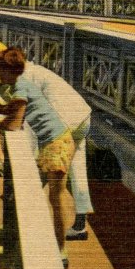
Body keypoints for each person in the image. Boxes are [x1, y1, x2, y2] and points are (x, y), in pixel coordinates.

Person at [0, 47, 76, 269]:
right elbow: (16, 109)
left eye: (2, 69)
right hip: (58, 141)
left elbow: (13, 124)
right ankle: (50, 247)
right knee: (42, 196)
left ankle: (60, 252)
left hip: (55, 145)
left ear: (11, 70)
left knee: (55, 199)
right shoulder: (21, 85)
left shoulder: (20, 87)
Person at [21, 62, 94, 240]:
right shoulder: (37, 71)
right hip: (82, 116)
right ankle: (80, 225)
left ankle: (29, 219)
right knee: (78, 170)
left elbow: (31, 127)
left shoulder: (23, 80)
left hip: (64, 120)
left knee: (46, 166)